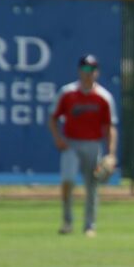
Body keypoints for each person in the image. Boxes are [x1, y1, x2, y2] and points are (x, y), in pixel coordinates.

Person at [48, 54, 118, 238]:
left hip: (93, 144)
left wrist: (111, 153)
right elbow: (53, 117)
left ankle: (89, 226)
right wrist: (57, 137)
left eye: (92, 70)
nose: (88, 73)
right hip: (71, 143)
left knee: (92, 185)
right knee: (68, 181)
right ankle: (67, 221)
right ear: (79, 71)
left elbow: (109, 127)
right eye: (85, 69)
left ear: (97, 72)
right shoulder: (68, 93)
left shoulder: (104, 97)